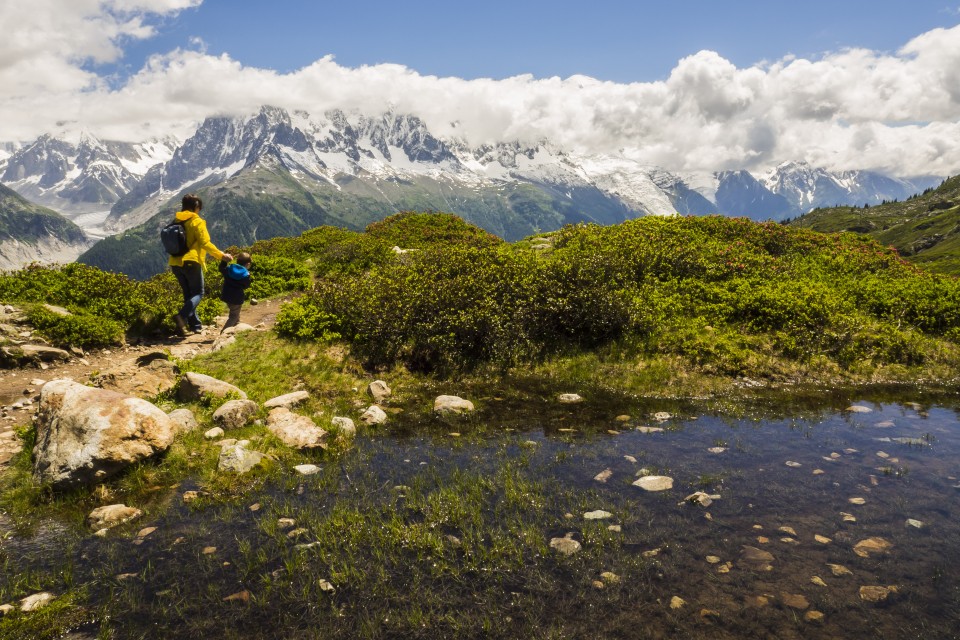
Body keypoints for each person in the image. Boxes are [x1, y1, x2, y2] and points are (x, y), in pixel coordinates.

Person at [169, 193, 231, 335]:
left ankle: (195, 325)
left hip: (175, 263)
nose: (199, 211)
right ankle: (181, 316)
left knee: (188, 295)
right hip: (191, 261)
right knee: (198, 293)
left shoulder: (176, 220)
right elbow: (205, 243)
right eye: (199, 208)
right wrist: (221, 255)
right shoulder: (197, 221)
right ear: (196, 207)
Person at [219, 252, 252, 333]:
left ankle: (236, 328)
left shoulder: (229, 268)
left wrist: (224, 261)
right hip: (236, 299)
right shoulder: (245, 275)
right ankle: (224, 333)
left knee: (235, 314)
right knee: (233, 316)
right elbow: (246, 286)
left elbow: (221, 268)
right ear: (248, 264)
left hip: (226, 296)